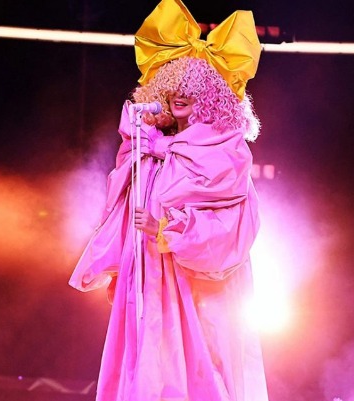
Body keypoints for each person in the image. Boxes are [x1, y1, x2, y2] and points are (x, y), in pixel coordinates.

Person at [70, 0, 268, 400]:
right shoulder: (149, 147)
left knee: (200, 367)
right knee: (148, 364)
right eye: (173, 86)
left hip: (194, 281)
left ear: (210, 97)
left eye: (190, 90)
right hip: (149, 273)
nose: (179, 96)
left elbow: (232, 227)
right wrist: (146, 152)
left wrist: (169, 229)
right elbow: (123, 199)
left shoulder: (223, 150)